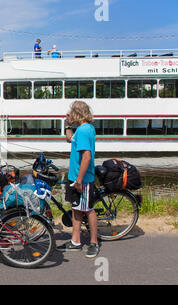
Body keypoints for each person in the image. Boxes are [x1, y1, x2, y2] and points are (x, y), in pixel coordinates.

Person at [57, 100, 99, 258]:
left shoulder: (83, 130)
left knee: (88, 209)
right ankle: (75, 241)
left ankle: (93, 243)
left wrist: (79, 180)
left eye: (71, 111)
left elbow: (86, 157)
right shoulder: (84, 129)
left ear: (77, 113)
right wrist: (67, 124)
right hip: (75, 177)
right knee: (76, 208)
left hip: (83, 179)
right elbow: (69, 139)